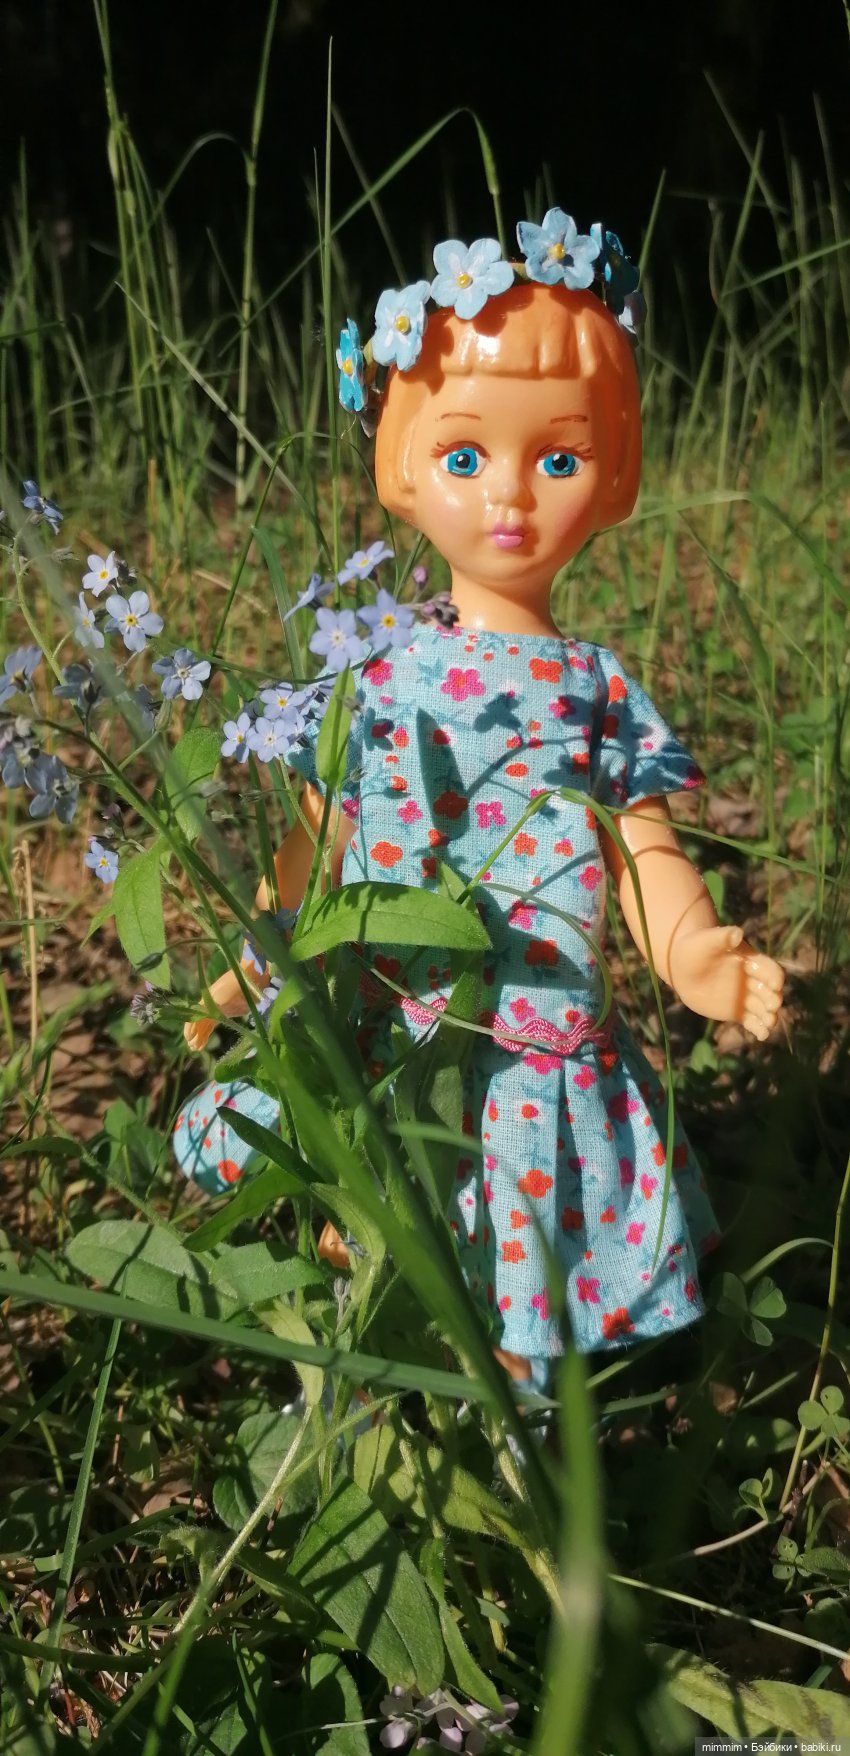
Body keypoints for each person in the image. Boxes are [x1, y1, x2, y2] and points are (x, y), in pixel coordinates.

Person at [177, 222, 784, 1393]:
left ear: (613, 475)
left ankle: (520, 1426)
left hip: (538, 1041)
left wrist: (692, 951)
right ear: (403, 468)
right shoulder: (371, 682)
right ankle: (387, 1395)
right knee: (391, 1238)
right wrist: (249, 970)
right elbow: (316, 853)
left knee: (523, 1281)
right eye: (464, 455)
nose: (508, 492)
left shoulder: (595, 686)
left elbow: (645, 853)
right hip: (404, 1033)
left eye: (556, 459)